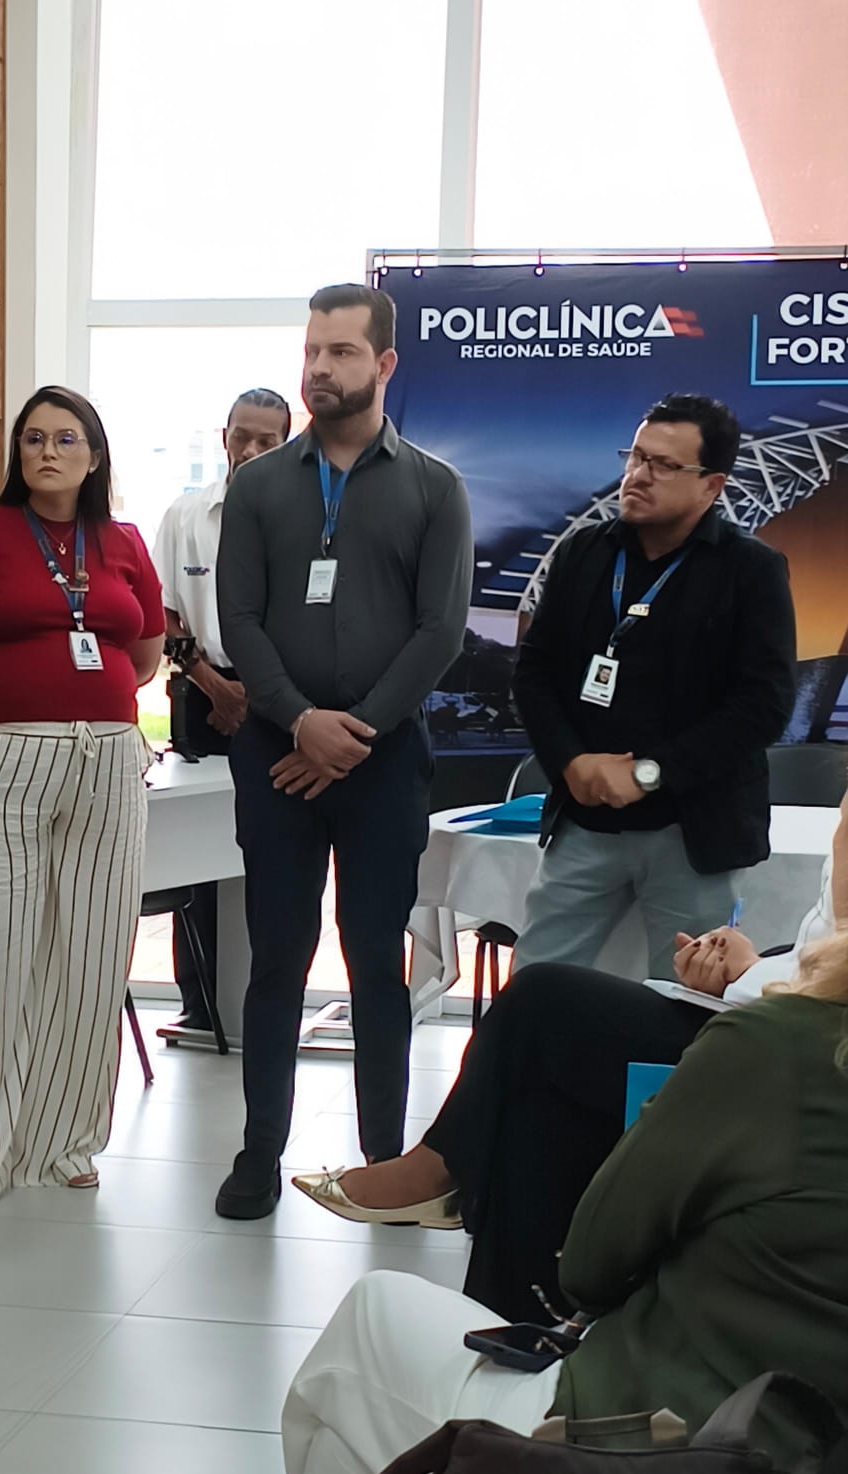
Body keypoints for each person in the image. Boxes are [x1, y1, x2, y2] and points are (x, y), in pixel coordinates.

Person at [264, 916, 848, 1474]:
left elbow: (591, 1267)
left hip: (667, 1456)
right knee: (538, 1110)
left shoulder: (782, 1046)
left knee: (367, 1320)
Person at [293, 782, 845, 1325]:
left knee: (542, 1001)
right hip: (781, 1012)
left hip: (803, 1056)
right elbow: (820, 951)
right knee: (539, 1105)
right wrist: (745, 968)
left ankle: (443, 1167)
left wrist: (749, 975)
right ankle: (510, 1330)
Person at [214, 283, 472, 1218]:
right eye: (312, 350)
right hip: (276, 760)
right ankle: (259, 1153)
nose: (320, 368)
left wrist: (351, 733)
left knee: (374, 961)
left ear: (385, 363)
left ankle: (381, 1160)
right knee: (277, 958)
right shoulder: (259, 486)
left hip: (384, 762)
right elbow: (239, 619)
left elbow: (440, 631)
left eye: (343, 352)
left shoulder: (434, 487)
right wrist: (299, 723)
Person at [0, 386, 165, 1211]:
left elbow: (146, 651)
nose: (47, 452)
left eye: (65, 439)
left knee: (91, 958)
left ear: (94, 456)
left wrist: (89, 707)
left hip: (106, 764)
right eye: (32, 439)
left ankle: (61, 1142)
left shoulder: (123, 541)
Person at [511, 394, 797, 979]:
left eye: (664, 465)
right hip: (586, 821)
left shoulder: (750, 570)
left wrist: (649, 773)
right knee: (536, 985)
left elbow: (763, 705)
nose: (638, 475)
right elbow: (534, 671)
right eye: (636, 456)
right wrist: (570, 763)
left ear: (711, 485)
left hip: (692, 831)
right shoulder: (584, 553)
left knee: (684, 1000)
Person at [153, 386, 291, 1036]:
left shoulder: (305, 521)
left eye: (269, 440)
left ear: (288, 444)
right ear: (225, 437)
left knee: (273, 846)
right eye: (244, 436)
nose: (253, 449)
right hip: (203, 695)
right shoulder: (187, 515)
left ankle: (266, 1000)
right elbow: (161, 612)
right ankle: (201, 1001)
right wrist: (216, 687)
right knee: (200, 847)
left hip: (280, 702)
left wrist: (258, 695)